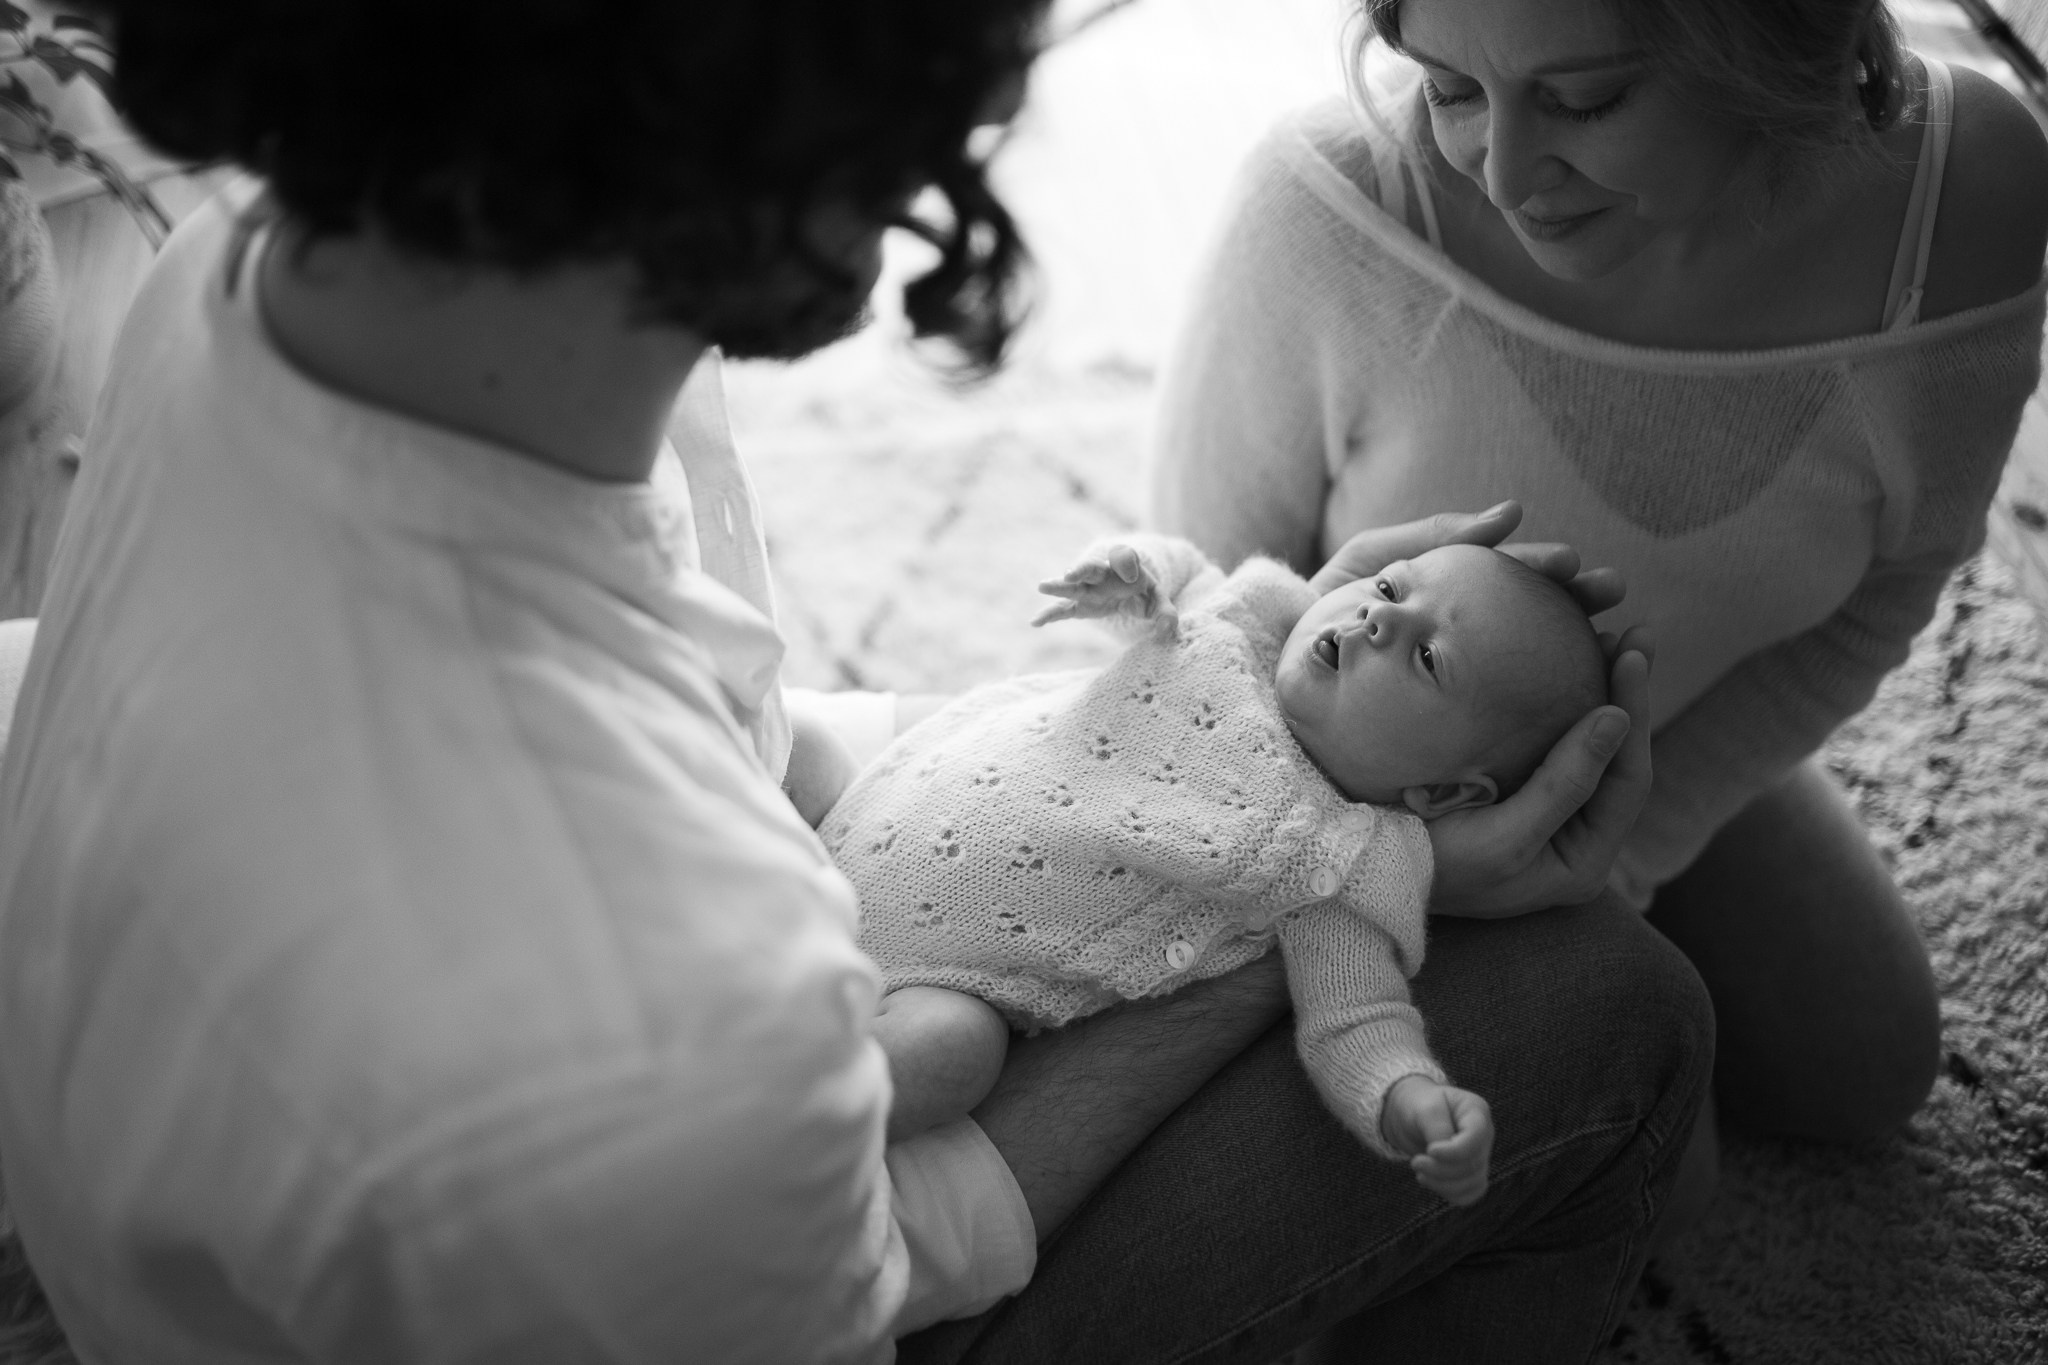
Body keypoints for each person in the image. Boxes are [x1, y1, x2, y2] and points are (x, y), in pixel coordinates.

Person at [0, 3, 1702, 1363]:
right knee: (1616, 1020)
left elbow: (733, 719)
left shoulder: (267, 274)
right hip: (726, 1270)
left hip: (245, 1182)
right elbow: (901, 1263)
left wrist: (1240, 714)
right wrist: (1309, 881)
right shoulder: (662, 1011)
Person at [1149, 0, 2048, 1228]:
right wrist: (1405, 875)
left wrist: (1612, 863)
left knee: (1862, 1071)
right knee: (1626, 1200)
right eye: (1447, 86)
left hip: (1636, 742)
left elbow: (1875, 602)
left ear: (1772, 45)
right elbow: (1187, 631)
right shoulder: (1328, 205)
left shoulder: (1969, 197)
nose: (1502, 172)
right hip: (1319, 796)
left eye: (1581, 100)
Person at [826, 532, 1610, 1212]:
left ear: (1440, 791)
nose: (1381, 617)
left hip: (923, 979)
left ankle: (771, 1109)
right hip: (854, 808)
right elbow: (1176, 575)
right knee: (795, 741)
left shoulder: (1336, 863)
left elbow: (1355, 1015)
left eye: (1428, 657)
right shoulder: (1254, 613)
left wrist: (1409, 1096)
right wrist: (1132, 569)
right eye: (1391, 585)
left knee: (955, 1053)